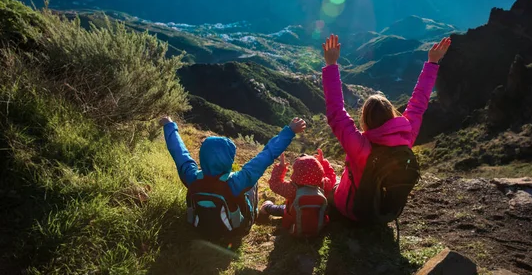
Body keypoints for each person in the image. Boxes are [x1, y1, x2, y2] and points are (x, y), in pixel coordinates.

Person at [321, 34, 451, 222]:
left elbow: (336, 112)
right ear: (392, 114)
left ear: (365, 120)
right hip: (386, 213)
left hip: (353, 211)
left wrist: (331, 64)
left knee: (329, 187)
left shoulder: (360, 147)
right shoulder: (405, 136)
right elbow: (419, 102)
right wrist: (432, 62)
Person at [160, 116, 307, 240]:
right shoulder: (236, 182)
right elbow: (267, 154)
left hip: (199, 229)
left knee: (247, 181)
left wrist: (169, 126)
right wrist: (290, 131)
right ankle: (256, 214)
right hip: (234, 233)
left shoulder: (192, 177)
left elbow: (179, 153)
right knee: (252, 182)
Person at [261, 149, 337, 236]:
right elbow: (332, 177)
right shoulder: (324, 185)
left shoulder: (292, 188)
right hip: (319, 223)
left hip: (293, 224)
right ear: (319, 169)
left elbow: (275, 184)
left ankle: (266, 207)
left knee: (283, 209)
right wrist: (323, 162)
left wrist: (281, 167)